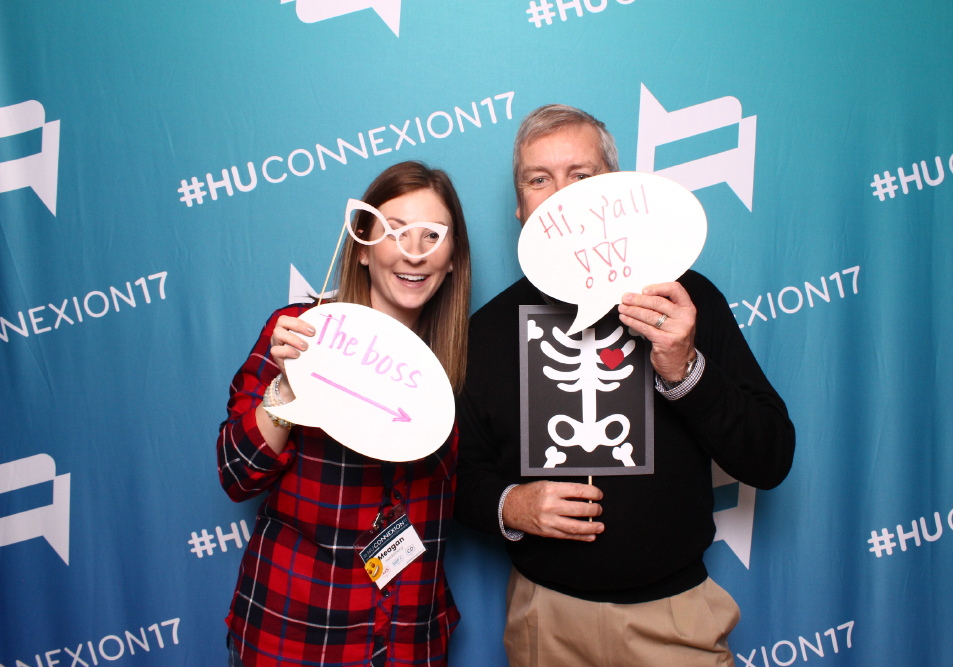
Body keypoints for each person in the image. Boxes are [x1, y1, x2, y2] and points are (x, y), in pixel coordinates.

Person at [454, 105, 795, 667]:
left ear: (615, 190)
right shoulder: (486, 331)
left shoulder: (685, 302)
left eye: (580, 176)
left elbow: (771, 458)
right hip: (545, 622)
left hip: (675, 621)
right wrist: (510, 505)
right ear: (519, 206)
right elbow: (459, 477)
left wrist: (686, 369)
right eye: (539, 180)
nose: (560, 197)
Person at [217, 161, 471, 667]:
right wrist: (289, 386)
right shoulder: (299, 332)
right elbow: (236, 475)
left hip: (409, 641)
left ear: (451, 260)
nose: (413, 251)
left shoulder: (461, 360)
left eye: (431, 235)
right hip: (294, 635)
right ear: (361, 247)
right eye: (395, 230)